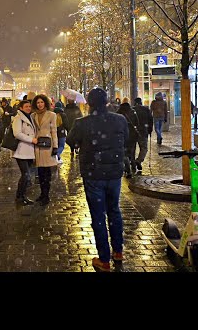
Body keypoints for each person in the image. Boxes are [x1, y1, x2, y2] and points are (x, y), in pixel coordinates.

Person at [68, 87, 127, 272]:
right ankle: (118, 250)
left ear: (89, 103)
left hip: (93, 174)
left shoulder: (82, 123)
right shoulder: (119, 120)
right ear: (107, 101)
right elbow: (126, 138)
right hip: (114, 173)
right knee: (114, 211)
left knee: (98, 215)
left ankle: (104, 259)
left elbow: (71, 141)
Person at [31, 94, 58, 205]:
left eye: (42, 102)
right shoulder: (33, 115)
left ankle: (46, 195)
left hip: (47, 145)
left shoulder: (52, 115)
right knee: (40, 172)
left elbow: (54, 131)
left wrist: (55, 146)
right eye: (38, 103)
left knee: (47, 172)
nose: (40, 104)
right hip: (38, 145)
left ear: (45, 103)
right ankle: (42, 194)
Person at [12, 99, 36, 205]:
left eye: (30, 106)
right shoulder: (18, 118)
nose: (28, 108)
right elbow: (17, 133)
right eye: (26, 106)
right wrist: (31, 139)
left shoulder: (30, 117)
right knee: (25, 174)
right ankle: (19, 196)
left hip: (30, 151)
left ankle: (22, 196)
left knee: (27, 175)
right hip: (21, 151)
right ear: (21, 108)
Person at [116, 99, 140, 178]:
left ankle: (127, 169)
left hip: (122, 135)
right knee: (132, 151)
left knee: (124, 152)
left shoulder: (118, 113)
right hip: (132, 135)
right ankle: (133, 164)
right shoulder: (133, 111)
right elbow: (137, 122)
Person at [132, 97, 153, 172]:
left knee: (132, 148)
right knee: (144, 148)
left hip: (134, 132)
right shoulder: (146, 109)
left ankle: (133, 163)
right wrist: (150, 130)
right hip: (143, 131)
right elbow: (150, 120)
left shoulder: (133, 109)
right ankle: (139, 160)